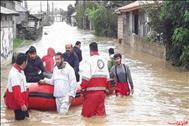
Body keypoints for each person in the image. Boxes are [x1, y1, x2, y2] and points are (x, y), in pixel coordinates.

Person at [80, 42, 110, 117]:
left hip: (91, 94)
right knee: (100, 117)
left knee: (86, 117)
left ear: (90, 50)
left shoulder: (89, 60)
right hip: (101, 95)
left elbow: (85, 78)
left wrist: (82, 89)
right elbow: (108, 79)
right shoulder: (103, 60)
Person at [4, 53, 29, 120]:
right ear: (24, 62)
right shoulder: (14, 74)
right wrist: (22, 104)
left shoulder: (20, 71)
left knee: (26, 120)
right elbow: (16, 91)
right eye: (27, 61)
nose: (27, 63)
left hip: (23, 101)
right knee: (20, 121)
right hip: (18, 104)